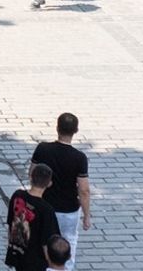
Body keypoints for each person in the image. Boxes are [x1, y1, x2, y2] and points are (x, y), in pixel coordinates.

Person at [31, 114, 91, 269]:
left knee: (42, 240)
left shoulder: (42, 149)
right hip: (68, 210)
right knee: (68, 241)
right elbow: (84, 190)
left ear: (57, 128)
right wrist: (86, 216)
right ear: (76, 131)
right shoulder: (79, 158)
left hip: (44, 205)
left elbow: (32, 174)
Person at [5, 163, 59, 271]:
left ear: (30, 177)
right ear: (49, 184)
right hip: (35, 261)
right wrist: (53, 265)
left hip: (18, 252)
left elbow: (11, 223)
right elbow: (46, 243)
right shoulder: (47, 210)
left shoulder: (17, 195)